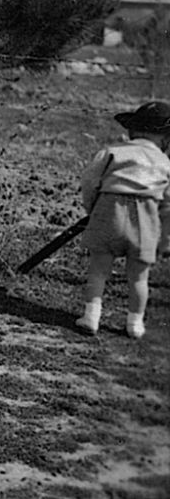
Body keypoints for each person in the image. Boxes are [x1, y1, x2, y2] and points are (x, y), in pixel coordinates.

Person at [76, 100, 170, 339]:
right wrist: (162, 239)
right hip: (146, 220)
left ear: (132, 130)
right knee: (139, 277)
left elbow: (89, 181)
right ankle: (135, 323)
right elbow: (168, 205)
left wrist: (93, 208)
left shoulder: (113, 152)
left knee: (98, 270)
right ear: (165, 138)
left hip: (109, 212)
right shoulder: (165, 163)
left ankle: (91, 316)